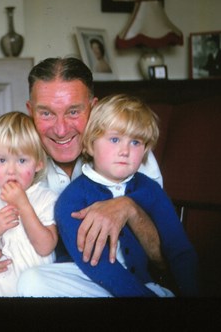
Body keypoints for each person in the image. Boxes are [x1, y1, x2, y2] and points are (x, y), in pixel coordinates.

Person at [0, 56, 164, 296]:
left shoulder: (130, 155)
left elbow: (164, 257)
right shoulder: (4, 164)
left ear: (93, 108)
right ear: (30, 111)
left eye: (73, 111)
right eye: (46, 114)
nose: (61, 129)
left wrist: (130, 209)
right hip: (44, 285)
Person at [55, 94, 199, 297]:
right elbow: (97, 264)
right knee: (33, 280)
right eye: (115, 139)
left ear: (146, 150)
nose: (125, 150)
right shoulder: (71, 199)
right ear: (89, 145)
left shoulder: (150, 190)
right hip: (92, 282)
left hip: (145, 285)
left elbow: (180, 251)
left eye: (136, 142)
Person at [0, 112, 59, 296]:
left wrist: (24, 206)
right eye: (2, 160)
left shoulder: (46, 199)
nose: (11, 170)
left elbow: (45, 247)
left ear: (38, 163)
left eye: (22, 160)